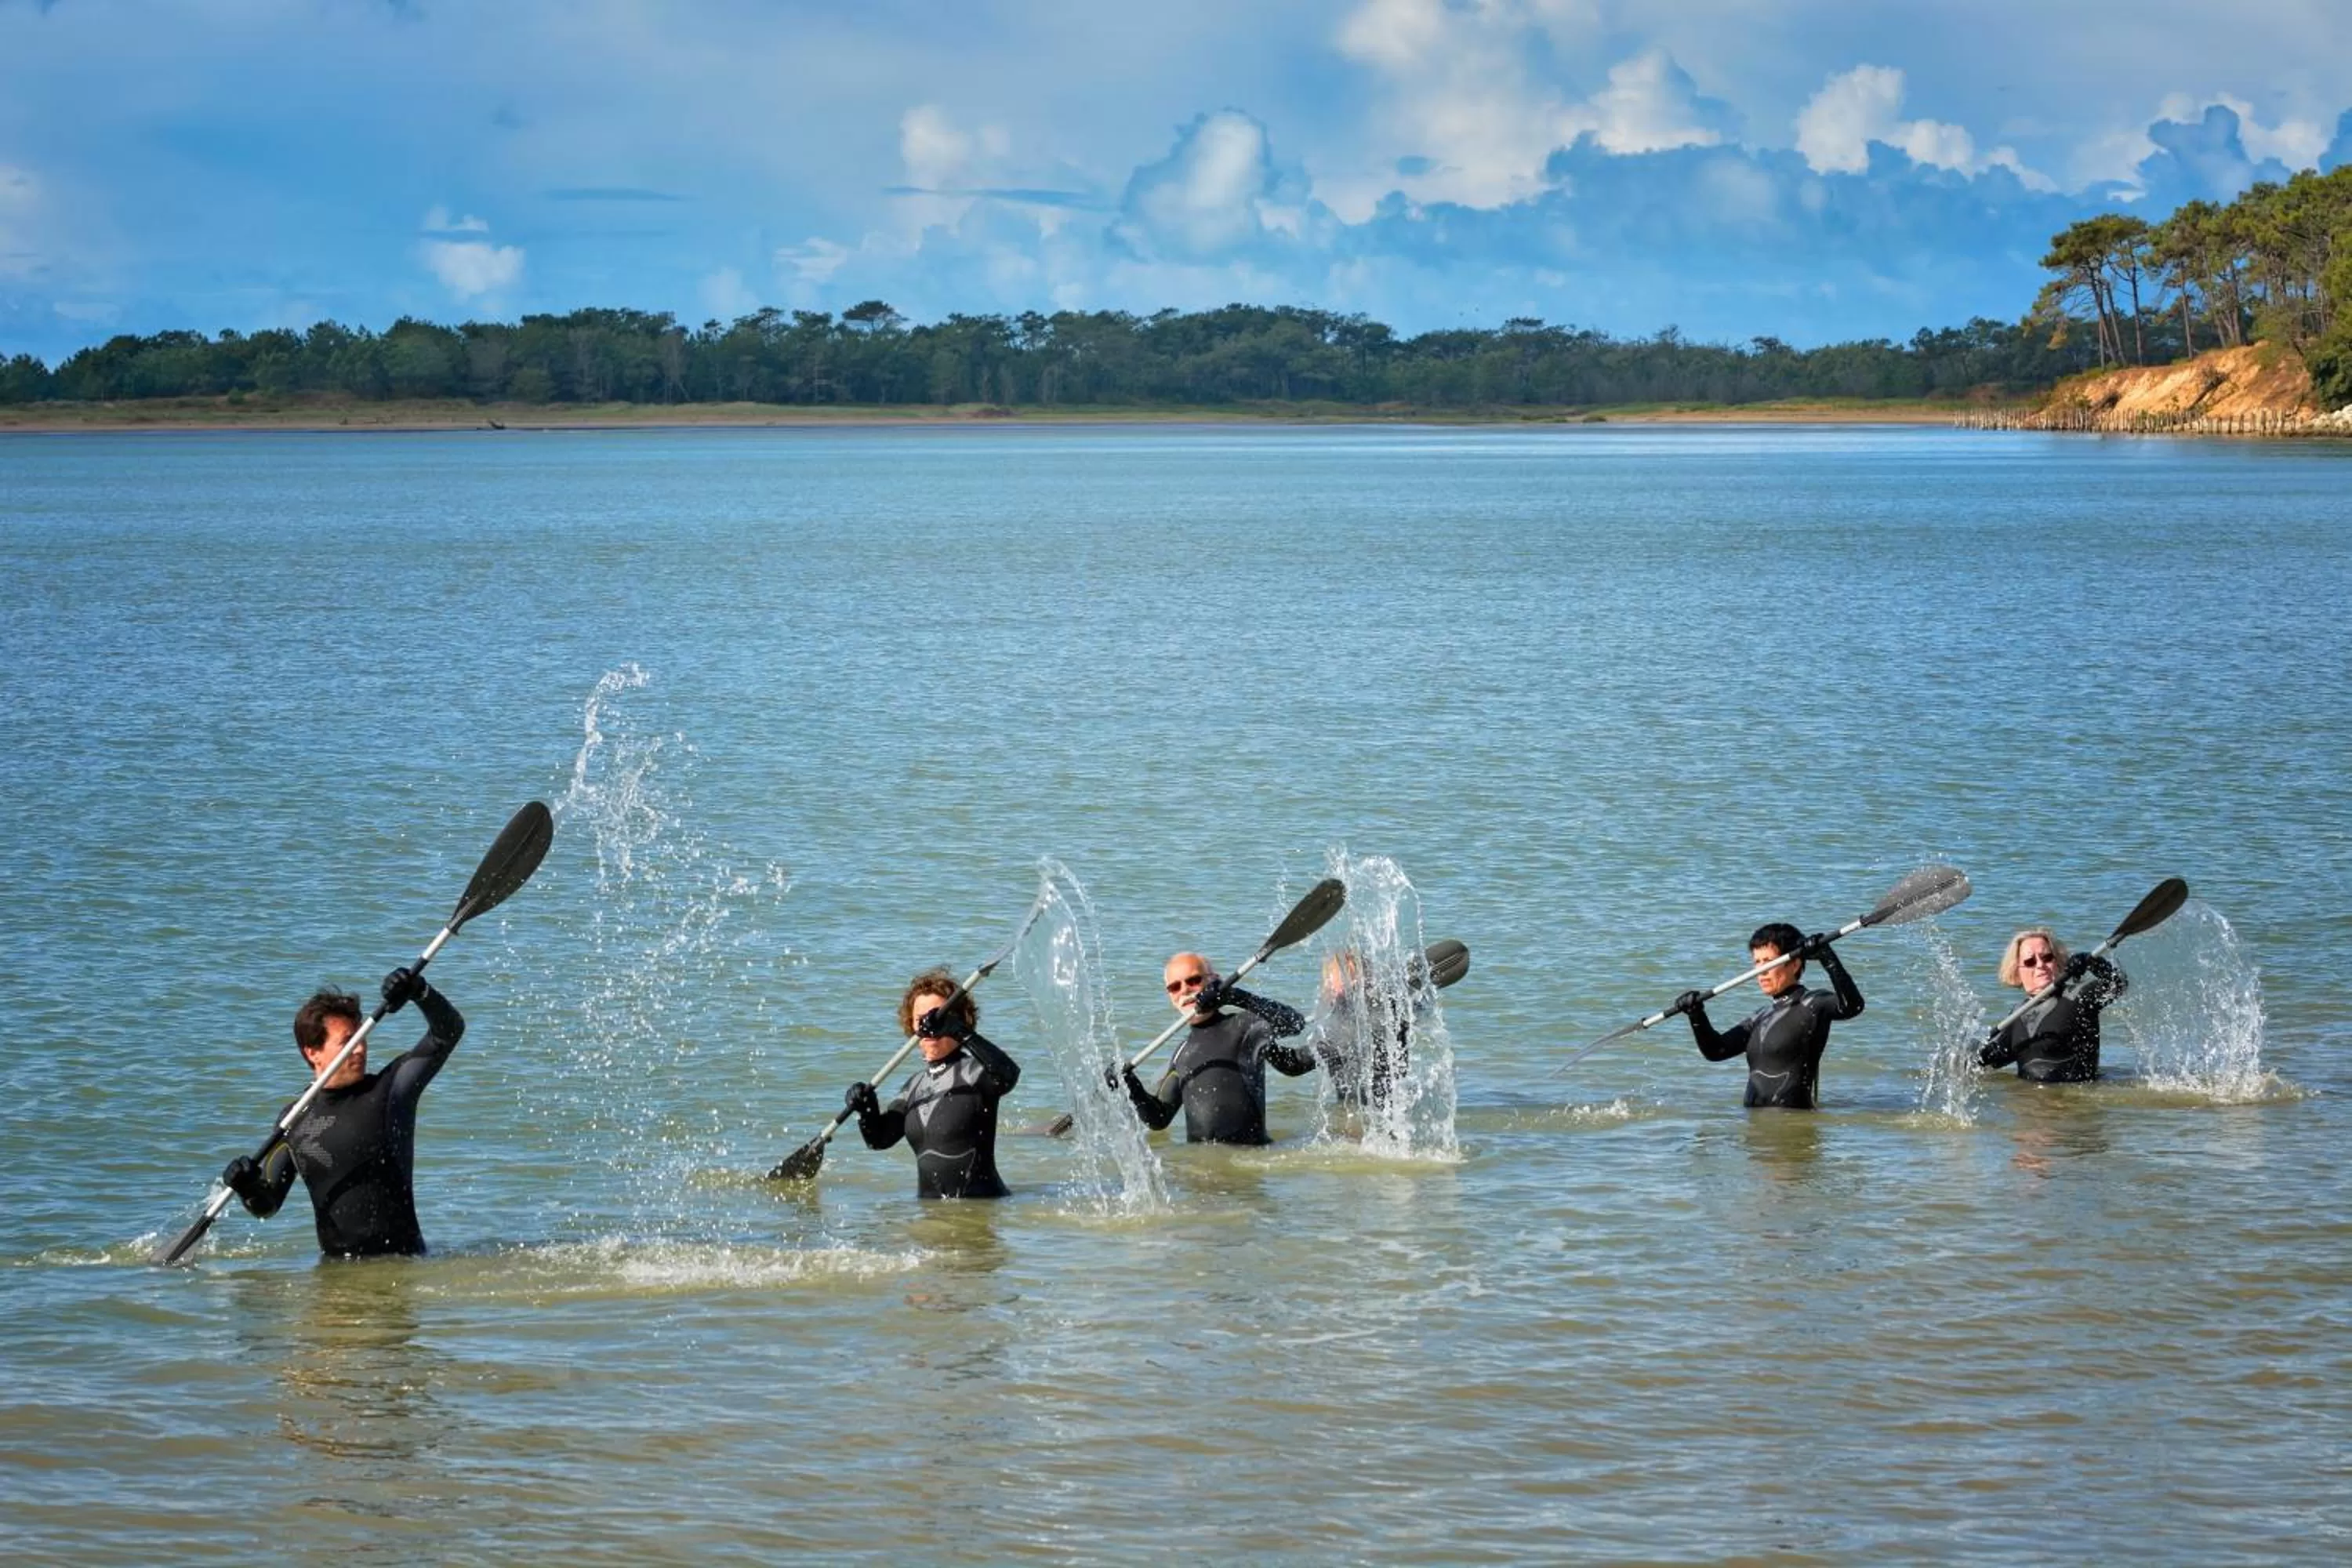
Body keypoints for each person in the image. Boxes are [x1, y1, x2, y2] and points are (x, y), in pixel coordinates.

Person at [221, 966, 463, 1258]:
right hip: (334, 1278)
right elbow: (267, 1206)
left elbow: (448, 1030)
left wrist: (420, 992)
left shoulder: (391, 1090)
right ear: (313, 1052)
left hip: (399, 1265)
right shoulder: (294, 1118)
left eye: (360, 1038)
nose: (360, 1049)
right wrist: (247, 1188)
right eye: (347, 1042)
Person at [847, 969, 1021, 1199]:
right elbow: (879, 1139)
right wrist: (866, 1109)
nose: (930, 1026)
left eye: (937, 1017)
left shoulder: (977, 1071)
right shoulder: (914, 1087)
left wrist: (959, 1032)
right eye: (921, 1020)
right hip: (930, 1218)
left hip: (981, 1210)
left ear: (958, 1019)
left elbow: (1008, 1074)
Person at [1118, 953, 1316, 1145]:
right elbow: (1159, 1118)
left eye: (1194, 980)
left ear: (1214, 981)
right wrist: (1130, 1085)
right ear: (1170, 996)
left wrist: (1234, 996)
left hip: (1248, 1162)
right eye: (1175, 987)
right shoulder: (1182, 1052)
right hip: (1199, 1170)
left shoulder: (1245, 1026)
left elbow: (1294, 1023)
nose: (1185, 990)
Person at [1677, 922, 1864, 1109]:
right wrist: (1696, 1015)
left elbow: (1852, 1006)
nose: (1762, 971)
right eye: (1757, 962)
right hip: (1754, 1128)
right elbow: (1716, 1051)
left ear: (1794, 964)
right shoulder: (1761, 1017)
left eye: (1769, 962)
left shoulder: (1813, 1004)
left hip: (1792, 1128)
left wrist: (1827, 958)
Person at [1979, 928, 2127, 1083]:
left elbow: (2118, 983)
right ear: (2017, 971)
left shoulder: (2078, 996)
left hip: (2071, 1102)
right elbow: (1987, 1059)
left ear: (2058, 962)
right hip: (2026, 1103)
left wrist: (2092, 963)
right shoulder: (2016, 1015)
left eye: (2047, 958)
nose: (2040, 965)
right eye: (2030, 961)